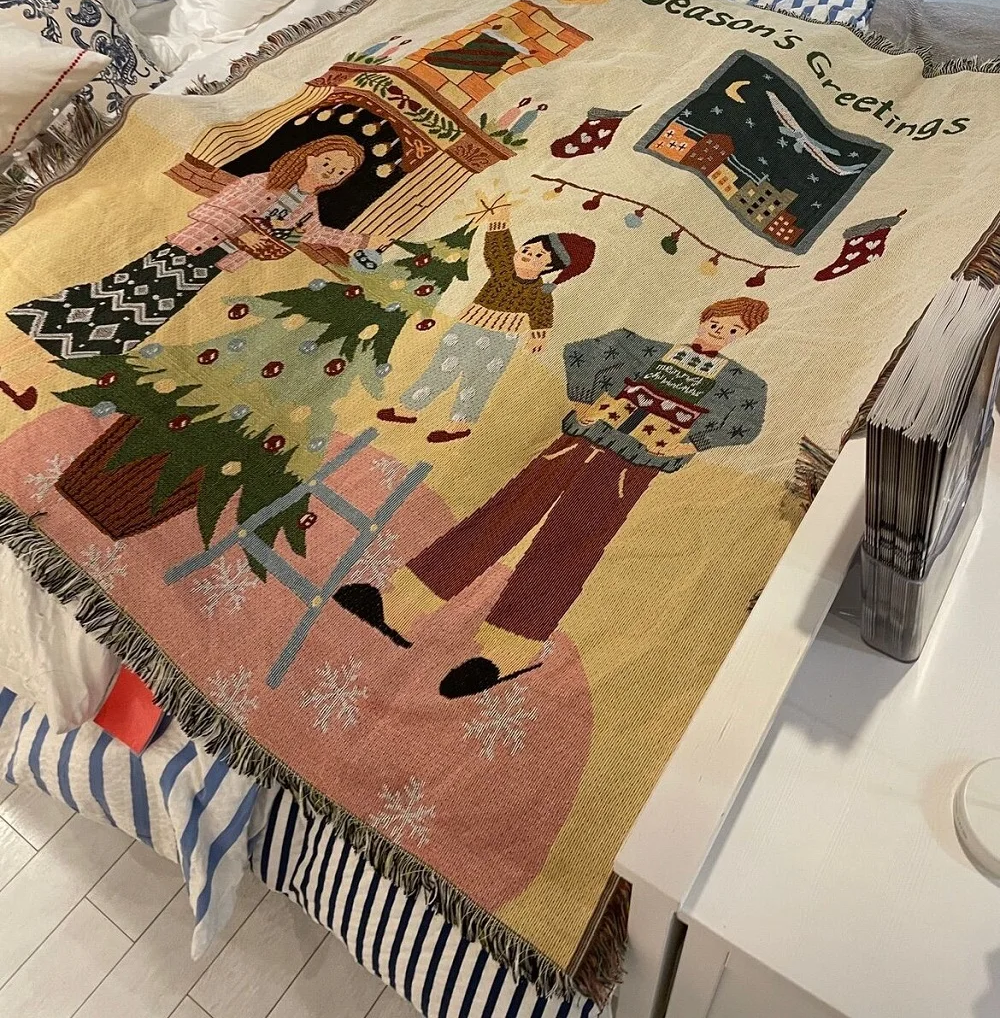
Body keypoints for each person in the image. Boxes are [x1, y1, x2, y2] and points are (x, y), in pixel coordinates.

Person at [337, 297, 770, 696]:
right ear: (704, 318)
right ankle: (402, 600)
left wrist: (689, 443)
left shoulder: (738, 382)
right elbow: (584, 351)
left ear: (744, 336)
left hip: (628, 467)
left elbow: (747, 424)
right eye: (717, 323)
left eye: (733, 330)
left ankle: (509, 647)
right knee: (502, 513)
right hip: (576, 443)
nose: (720, 333)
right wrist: (583, 400)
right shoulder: (643, 348)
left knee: (570, 544)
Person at [7, 136, 383, 360]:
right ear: (311, 156)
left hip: (218, 261)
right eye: (328, 163)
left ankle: (96, 346)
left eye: (340, 173)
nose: (330, 173)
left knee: (161, 305)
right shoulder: (261, 182)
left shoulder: (307, 206)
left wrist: (360, 241)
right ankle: (46, 322)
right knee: (128, 289)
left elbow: (313, 233)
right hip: (193, 246)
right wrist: (244, 234)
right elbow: (211, 210)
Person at [377, 205, 595, 442]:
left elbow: (542, 315)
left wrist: (538, 336)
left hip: (501, 340)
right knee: (441, 367)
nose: (528, 255)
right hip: (467, 328)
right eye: (526, 249)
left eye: (538, 256)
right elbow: (498, 248)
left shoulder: (540, 292)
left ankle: (459, 425)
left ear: (549, 267)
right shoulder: (504, 269)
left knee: (478, 380)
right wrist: (499, 220)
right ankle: (409, 408)